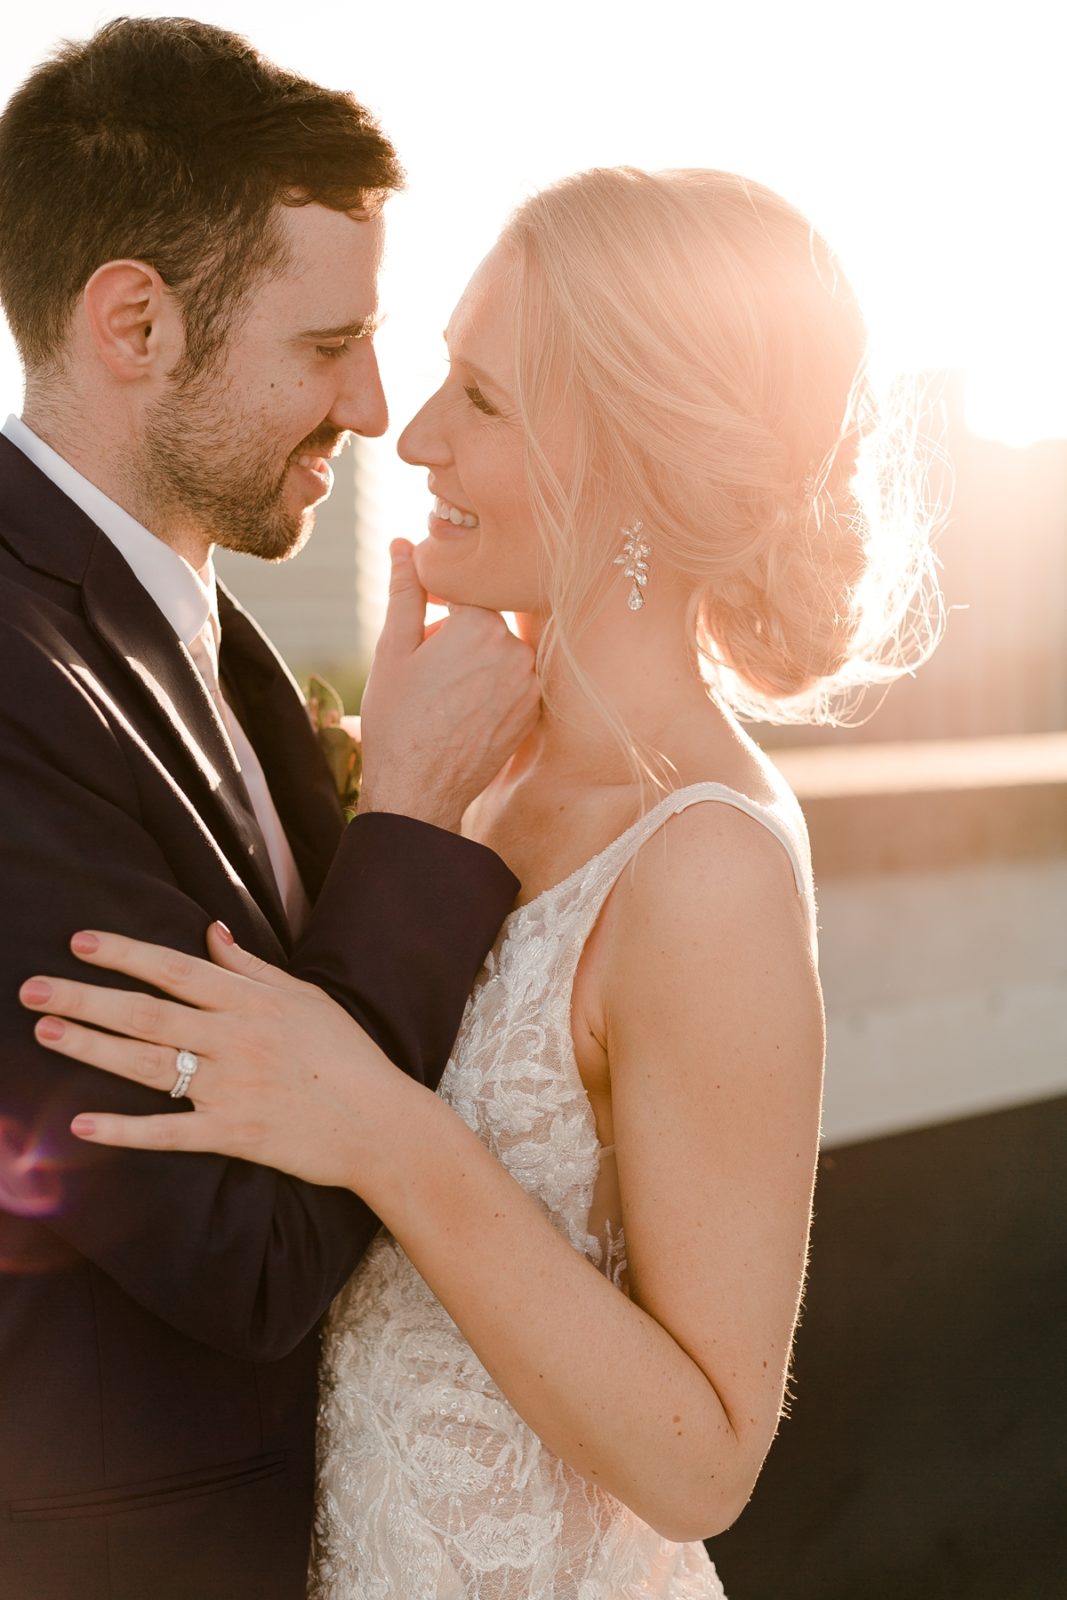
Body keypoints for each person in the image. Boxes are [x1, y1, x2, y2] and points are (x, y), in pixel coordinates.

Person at [19, 166, 940, 1597]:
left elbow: (705, 1462)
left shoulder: (707, 864)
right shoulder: (465, 787)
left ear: (630, 457)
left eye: (486, 401)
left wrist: (387, 1133)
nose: (415, 432)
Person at [0, 18, 539, 1600]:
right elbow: (241, 1244)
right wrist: (417, 819)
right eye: (327, 345)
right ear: (135, 322)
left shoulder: (205, 634)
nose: (375, 407)